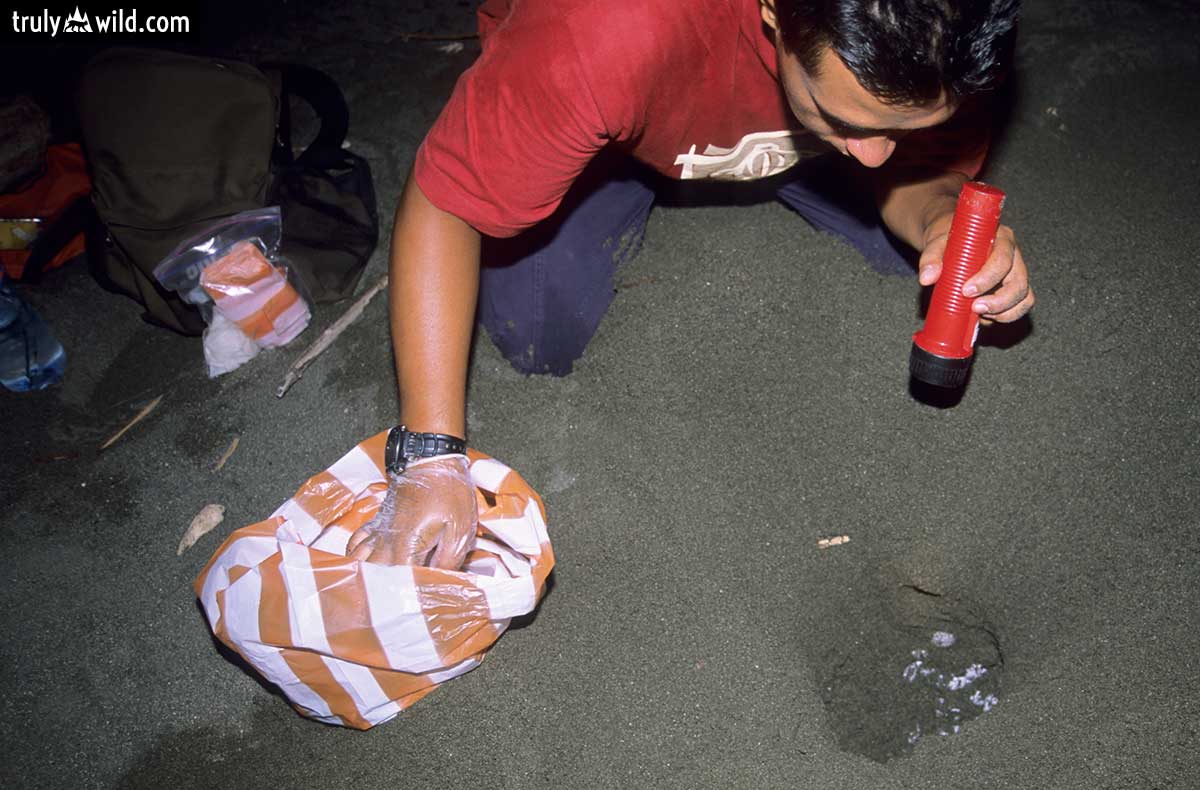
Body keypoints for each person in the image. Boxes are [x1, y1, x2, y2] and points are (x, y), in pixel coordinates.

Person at [346, 0, 1035, 566]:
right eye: (851, 121)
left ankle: (796, 144)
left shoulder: (948, 30)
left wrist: (943, 218)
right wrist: (430, 456)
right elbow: (446, 202)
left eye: (904, 128)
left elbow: (910, 169)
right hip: (613, 127)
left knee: (915, 263)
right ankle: (651, 164)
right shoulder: (603, 30)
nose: (881, 153)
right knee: (537, 333)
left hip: (773, 122)